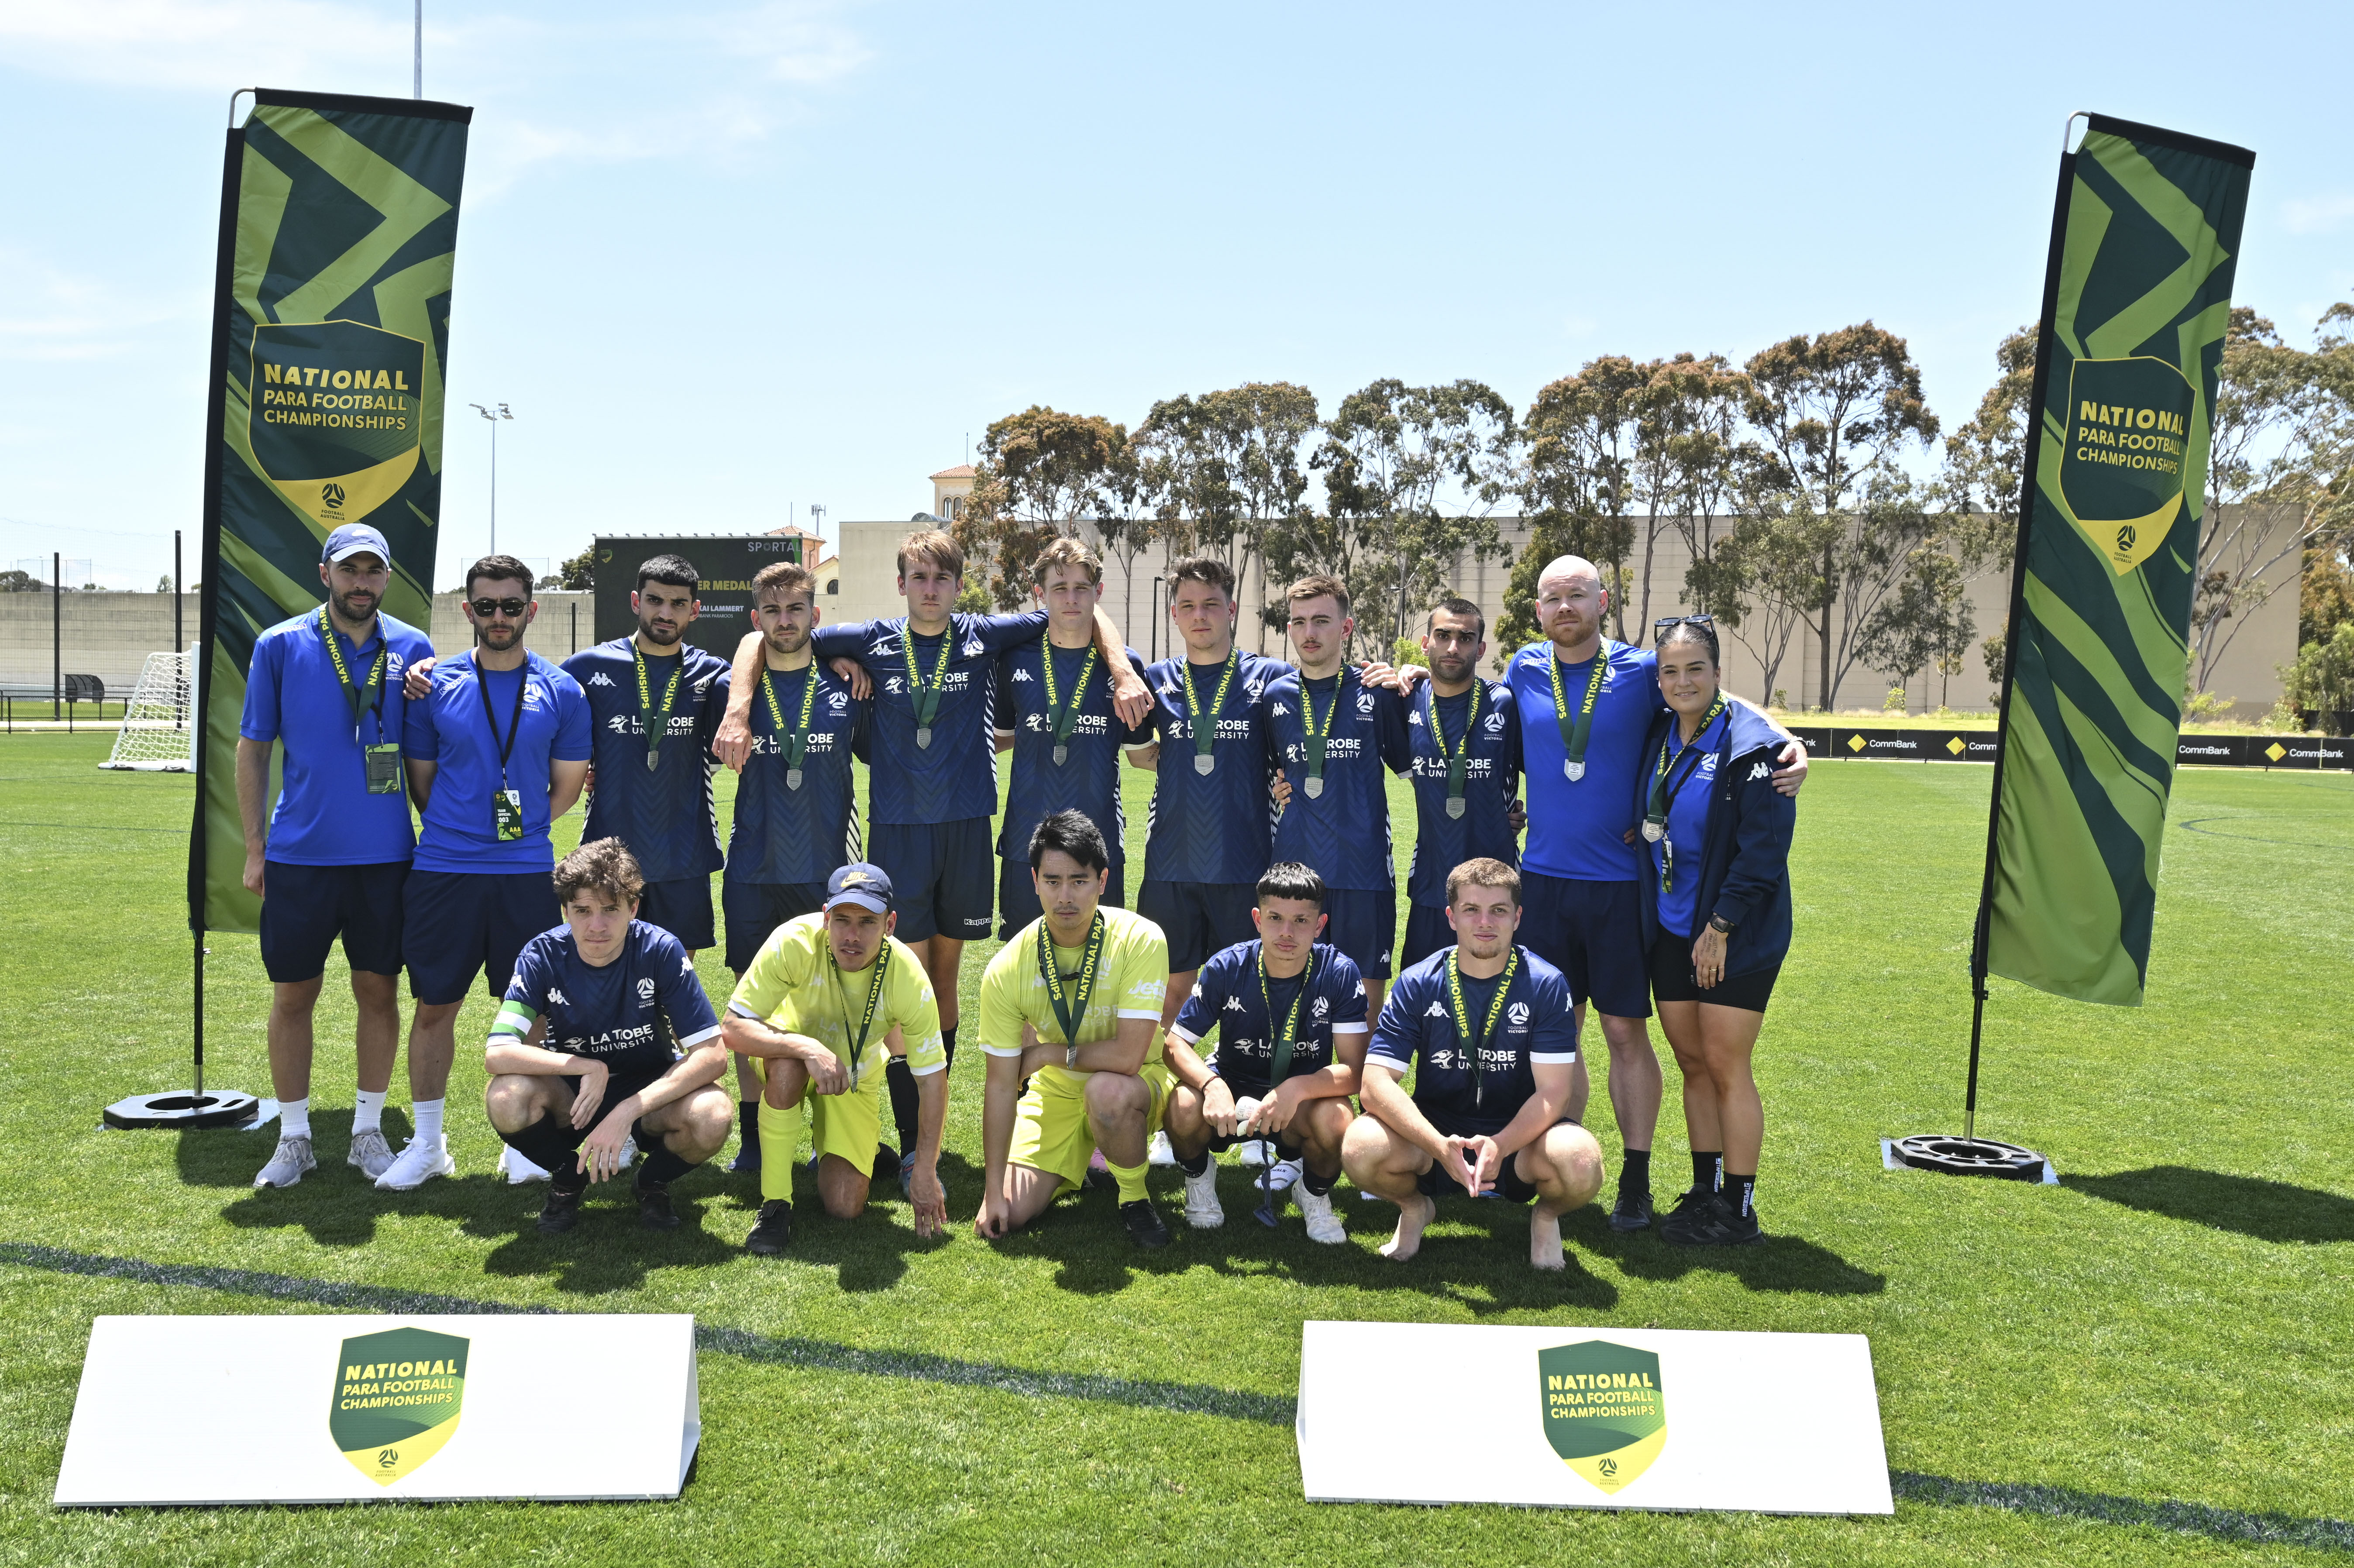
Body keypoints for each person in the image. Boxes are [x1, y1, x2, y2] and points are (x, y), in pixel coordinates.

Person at [715, 529, 1148, 1188]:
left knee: (943, 981)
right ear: (901, 585)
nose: (930, 590)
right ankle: (907, 1134)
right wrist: (741, 705)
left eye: (942, 579)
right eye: (918, 578)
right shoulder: (870, 641)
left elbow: (1084, 610)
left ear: (957, 585)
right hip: (897, 832)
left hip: (969, 827)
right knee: (906, 983)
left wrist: (1119, 667)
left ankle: (930, 1141)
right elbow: (759, 639)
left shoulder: (982, 634)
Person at [1501, 554, 1804, 1234]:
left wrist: (1790, 743)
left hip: (1619, 888)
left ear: (1603, 600)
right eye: (1552, 598)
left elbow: (1709, 695)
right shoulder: (1523, 668)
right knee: (1557, 1034)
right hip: (1543, 883)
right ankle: (1558, 1161)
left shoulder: (1641, 670)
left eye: (1577, 595)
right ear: (1538, 609)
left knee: (1623, 1032)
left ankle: (1635, 1183)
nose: (1565, 608)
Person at [237, 522, 435, 1188]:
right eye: (349, 570)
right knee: (294, 994)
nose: (361, 583)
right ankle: (294, 1138)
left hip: (385, 859)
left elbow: (424, 753)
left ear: (386, 578)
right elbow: (253, 748)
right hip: (301, 857)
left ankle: (367, 1131)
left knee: (378, 992)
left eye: (372, 571)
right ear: (325, 574)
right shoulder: (280, 645)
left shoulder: (414, 648)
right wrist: (256, 846)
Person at [393, 554, 592, 1190]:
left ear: (531, 610)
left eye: (511, 606)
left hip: (527, 873)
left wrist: (523, 827)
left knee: (531, 1014)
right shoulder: (433, 684)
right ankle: (428, 1145)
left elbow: (564, 789)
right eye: (487, 606)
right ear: (469, 610)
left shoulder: (562, 690)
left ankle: (526, 1145)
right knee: (435, 1007)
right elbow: (421, 781)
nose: (499, 617)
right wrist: (464, 828)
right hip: (444, 870)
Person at [1341, 857, 1605, 1272]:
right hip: (1434, 1143)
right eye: (1471, 910)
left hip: (1519, 1144)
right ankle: (1415, 1208)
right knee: (1360, 1146)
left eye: (1499, 910)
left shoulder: (1547, 984)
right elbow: (1375, 1084)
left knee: (1581, 1162)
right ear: (1451, 917)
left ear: (1518, 917)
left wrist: (1501, 1144)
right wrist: (1437, 1145)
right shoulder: (1417, 982)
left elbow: (1556, 1093)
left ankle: (1546, 1217)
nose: (1486, 922)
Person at [1634, 619, 1796, 1247]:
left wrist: (1721, 926)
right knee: (1692, 1063)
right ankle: (1704, 1193)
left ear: (1718, 673)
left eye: (1695, 668)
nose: (1682, 681)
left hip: (1737, 932)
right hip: (1673, 927)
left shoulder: (1755, 744)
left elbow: (1763, 853)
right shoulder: (1661, 730)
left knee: (1728, 1065)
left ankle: (1739, 1206)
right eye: (1670, 671)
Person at [482, 838, 732, 1234]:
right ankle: (568, 1179)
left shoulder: (661, 949)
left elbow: (713, 1055)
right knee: (506, 1097)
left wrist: (628, 1109)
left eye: (610, 910)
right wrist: (588, 1067)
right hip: (573, 1095)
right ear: (565, 911)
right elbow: (498, 1053)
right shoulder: (541, 955)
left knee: (713, 1114)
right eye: (582, 911)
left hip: (650, 1094)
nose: (596, 926)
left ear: (633, 908)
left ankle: (652, 1184)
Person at [713, 560, 868, 1176]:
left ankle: (839, 1135)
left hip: (826, 876)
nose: (785, 621)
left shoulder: (848, 688)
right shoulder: (731, 695)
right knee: (751, 1011)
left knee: (836, 1005)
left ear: (815, 616)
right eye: (773, 611)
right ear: (757, 620)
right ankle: (757, 1140)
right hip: (752, 871)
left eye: (795, 609)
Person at [720, 865, 949, 1254]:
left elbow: (933, 1081)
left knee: (845, 1207)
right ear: (826, 917)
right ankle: (775, 1205)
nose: (852, 935)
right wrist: (807, 1048)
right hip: (789, 1058)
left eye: (867, 922)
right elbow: (733, 1028)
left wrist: (925, 1169)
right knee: (790, 1069)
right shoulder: (793, 941)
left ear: (890, 924)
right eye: (842, 920)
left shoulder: (908, 975)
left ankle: (865, 1149)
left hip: (854, 1075)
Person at [974, 810, 1174, 1248]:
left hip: (1136, 1081)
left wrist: (1047, 1054)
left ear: (1103, 881)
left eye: (1079, 881)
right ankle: (1081, 1163)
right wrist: (992, 1193)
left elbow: (1127, 1057)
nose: (1065, 896)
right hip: (1058, 1094)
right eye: (1052, 880)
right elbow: (1002, 1084)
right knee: (1008, 1215)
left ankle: (1134, 1198)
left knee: (1106, 1092)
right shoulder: (1007, 967)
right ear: (1034, 881)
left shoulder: (1141, 939)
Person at [1161, 863, 1366, 1243]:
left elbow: (1356, 1072)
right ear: (1258, 918)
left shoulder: (1339, 971)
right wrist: (1212, 1085)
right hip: (1233, 1089)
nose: (1287, 933)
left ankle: (1313, 1194)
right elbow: (1174, 1044)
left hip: (1297, 1103)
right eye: (1275, 918)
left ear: (1319, 925)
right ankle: (1199, 1179)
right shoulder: (1228, 965)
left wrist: (1296, 1089)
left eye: (1301, 921)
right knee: (1183, 1106)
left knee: (1337, 1119)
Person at [1124, 556, 1287, 1027]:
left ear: (1231, 609)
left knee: (1244, 989)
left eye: (1211, 604)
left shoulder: (1271, 677)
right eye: (1188, 605)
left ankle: (1238, 1090)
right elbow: (1138, 755)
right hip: (1171, 865)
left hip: (1245, 864)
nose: (1200, 615)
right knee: (1170, 989)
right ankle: (1166, 1092)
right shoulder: (1155, 680)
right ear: (1174, 613)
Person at [559, 553, 731, 954]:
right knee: (602, 967)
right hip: (606, 853)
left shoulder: (713, 673)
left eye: (678, 604)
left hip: (684, 854)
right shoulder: (589, 666)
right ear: (637, 602)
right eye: (655, 601)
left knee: (675, 975)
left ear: (695, 611)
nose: (665, 613)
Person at [1262, 576, 1411, 1018]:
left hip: (1364, 874)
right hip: (1294, 878)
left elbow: (1417, 774)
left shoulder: (1377, 692)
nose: (1309, 633)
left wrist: (1410, 674)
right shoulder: (1275, 697)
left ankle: (1361, 1089)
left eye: (1322, 621)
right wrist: (1277, 785)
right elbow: (1275, 770)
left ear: (1345, 629)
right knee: (1291, 1005)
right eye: (1299, 622)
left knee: (1364, 1009)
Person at [991, 536, 1153, 935]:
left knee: (1098, 972)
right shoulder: (1015, 658)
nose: (1071, 599)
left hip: (1098, 847)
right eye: (1060, 588)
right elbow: (1001, 737)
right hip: (1024, 843)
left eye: (1082, 588)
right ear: (1039, 594)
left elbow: (1142, 755)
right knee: (1024, 970)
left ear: (1098, 592)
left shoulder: (1126, 668)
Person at [1399, 597, 1524, 971]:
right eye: (1444, 635)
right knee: (1422, 998)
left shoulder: (1504, 704)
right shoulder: (1403, 701)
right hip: (1431, 882)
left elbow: (1546, 769)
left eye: (1466, 638)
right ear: (1426, 644)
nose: (1454, 647)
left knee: (1497, 1003)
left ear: (1481, 648)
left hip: (1497, 885)